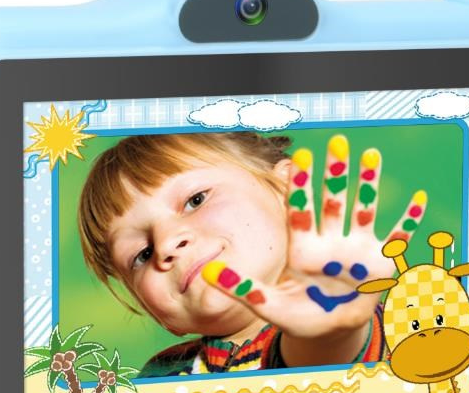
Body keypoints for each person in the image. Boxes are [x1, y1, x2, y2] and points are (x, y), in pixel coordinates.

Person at [77, 131, 426, 377]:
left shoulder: (347, 324)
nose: (166, 243)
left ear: (286, 190)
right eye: (142, 254)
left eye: (195, 200)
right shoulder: (157, 375)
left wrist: (329, 332)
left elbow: (318, 356)